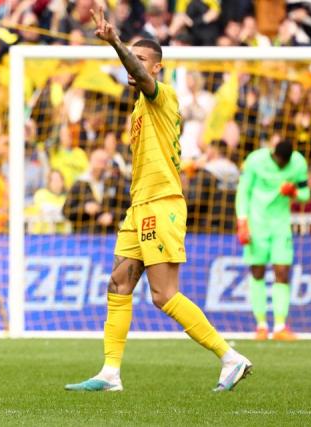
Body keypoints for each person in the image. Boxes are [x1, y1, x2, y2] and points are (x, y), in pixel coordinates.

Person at [65, 6, 251, 393]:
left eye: (143, 60)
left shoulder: (160, 95)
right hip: (140, 206)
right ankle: (110, 374)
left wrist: (116, 41)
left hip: (162, 202)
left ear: (158, 67)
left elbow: (139, 72)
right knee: (118, 283)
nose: (135, 68)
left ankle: (230, 357)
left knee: (164, 295)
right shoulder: (137, 106)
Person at [235, 140, 310, 341]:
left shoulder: (299, 163)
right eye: (279, 161)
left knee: (282, 272)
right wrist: (242, 221)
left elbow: (306, 194)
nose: (282, 165)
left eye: (285, 163)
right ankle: (261, 325)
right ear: (273, 154)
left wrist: (294, 193)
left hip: (281, 225)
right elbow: (243, 191)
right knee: (257, 272)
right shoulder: (255, 160)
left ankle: (279, 326)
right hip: (256, 223)